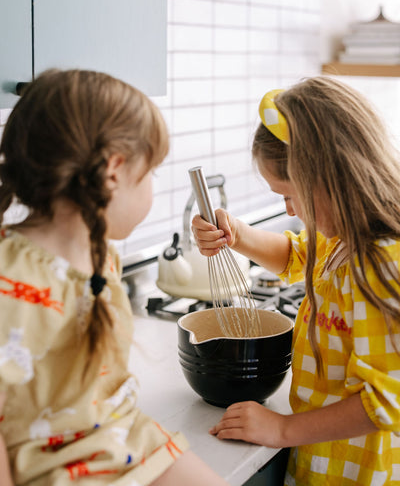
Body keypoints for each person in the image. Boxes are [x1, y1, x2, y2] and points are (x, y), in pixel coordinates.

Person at [0, 69, 229, 486]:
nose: (152, 188)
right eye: (152, 173)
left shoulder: (101, 257)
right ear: (113, 171)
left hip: (128, 442)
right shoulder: (10, 280)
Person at [192, 77, 400, 486]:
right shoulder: (344, 239)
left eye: (289, 194)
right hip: (322, 462)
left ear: (330, 177)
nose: (290, 209)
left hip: (358, 474)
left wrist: (282, 430)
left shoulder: (380, 264)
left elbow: (388, 402)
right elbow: (298, 256)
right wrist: (236, 233)